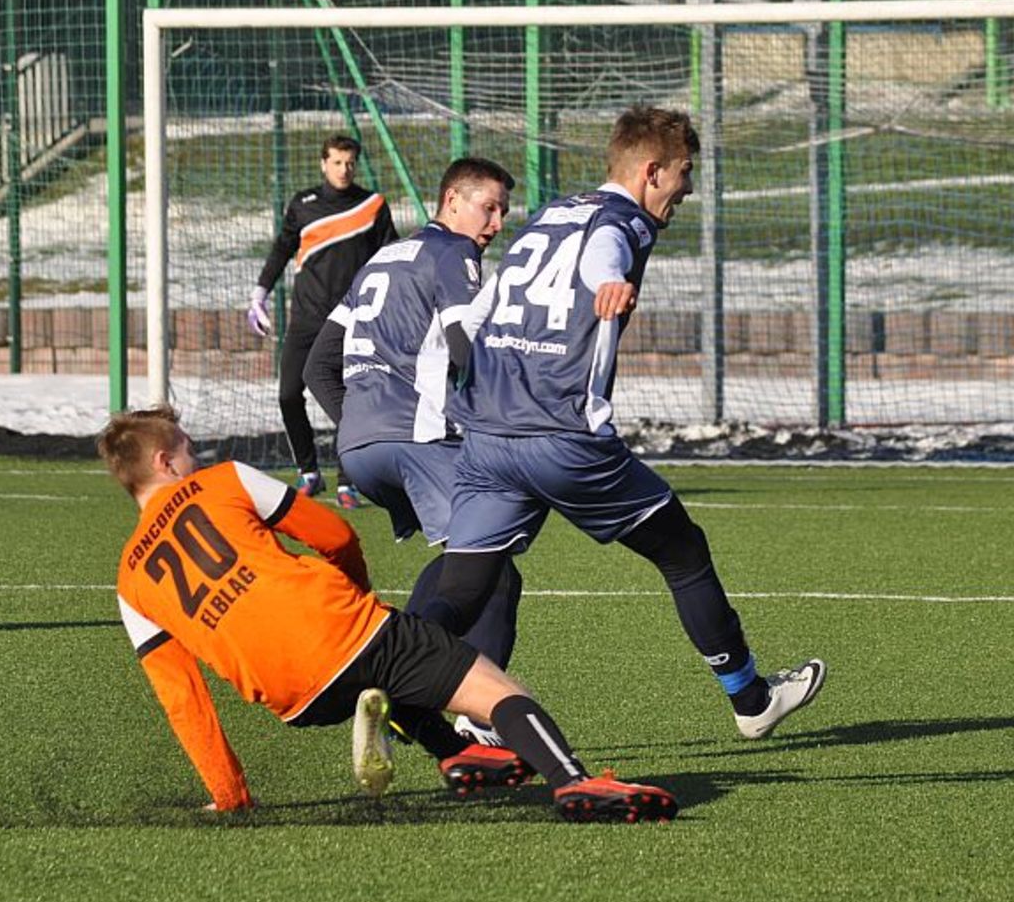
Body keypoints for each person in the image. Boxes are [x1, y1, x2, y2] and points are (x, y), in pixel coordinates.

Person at [412, 106, 826, 739]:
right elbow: (604, 254)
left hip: (488, 438)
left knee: (465, 586)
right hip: (562, 437)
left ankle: (385, 681)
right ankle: (749, 699)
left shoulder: (548, 214)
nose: (687, 187)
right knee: (683, 553)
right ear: (651, 170)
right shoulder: (623, 221)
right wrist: (610, 283)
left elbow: (479, 309)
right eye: (684, 173)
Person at [97, 405, 677, 823]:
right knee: (495, 687)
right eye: (188, 448)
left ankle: (453, 751)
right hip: (344, 632)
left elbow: (183, 699)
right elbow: (334, 534)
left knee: (390, 669)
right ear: (165, 460)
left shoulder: (129, 582)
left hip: (295, 701)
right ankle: (574, 781)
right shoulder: (223, 481)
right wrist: (356, 600)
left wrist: (230, 795)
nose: (195, 457)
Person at [304, 156, 526, 676]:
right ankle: (454, 704)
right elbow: (466, 349)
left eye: (503, 212)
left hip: (359, 451)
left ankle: (405, 682)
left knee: (463, 564)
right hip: (419, 439)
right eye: (488, 208)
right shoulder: (455, 252)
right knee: (492, 570)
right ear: (452, 200)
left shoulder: (380, 259)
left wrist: (359, 422)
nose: (496, 224)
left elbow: (317, 367)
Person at [247, 134, 398, 508]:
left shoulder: (372, 205)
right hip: (305, 319)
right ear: (323, 163)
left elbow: (391, 256)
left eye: (350, 163)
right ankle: (309, 472)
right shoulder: (303, 204)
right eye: (336, 162)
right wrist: (259, 293)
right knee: (287, 395)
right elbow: (282, 248)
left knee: (347, 399)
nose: (344, 169)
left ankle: (349, 481)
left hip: (351, 320)